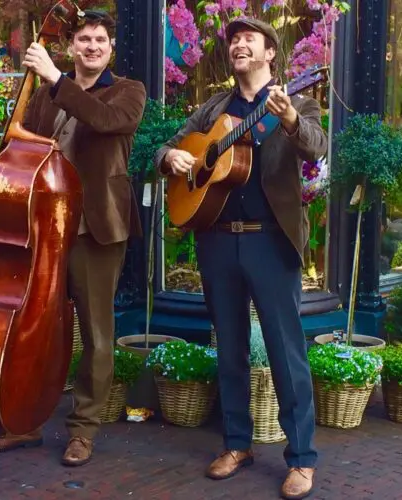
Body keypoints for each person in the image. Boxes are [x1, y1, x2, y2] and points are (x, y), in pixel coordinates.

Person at [154, 17, 327, 500]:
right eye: (233, 40)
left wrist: (290, 119)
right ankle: (236, 443)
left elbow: (317, 145)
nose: (238, 45)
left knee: (285, 350)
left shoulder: (297, 100)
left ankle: (302, 459)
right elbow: (166, 149)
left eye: (249, 38)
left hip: (271, 241)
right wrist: (173, 159)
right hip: (216, 239)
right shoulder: (213, 109)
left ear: (270, 53)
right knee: (228, 347)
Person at [0, 10, 146, 467]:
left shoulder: (128, 92)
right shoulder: (47, 90)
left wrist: (53, 77)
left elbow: (105, 122)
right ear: (71, 46)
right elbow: (20, 142)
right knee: (33, 327)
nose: (91, 46)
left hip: (96, 227)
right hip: (41, 224)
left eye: (100, 40)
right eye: (84, 39)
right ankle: (22, 420)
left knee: (96, 334)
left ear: (111, 48)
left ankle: (83, 430)